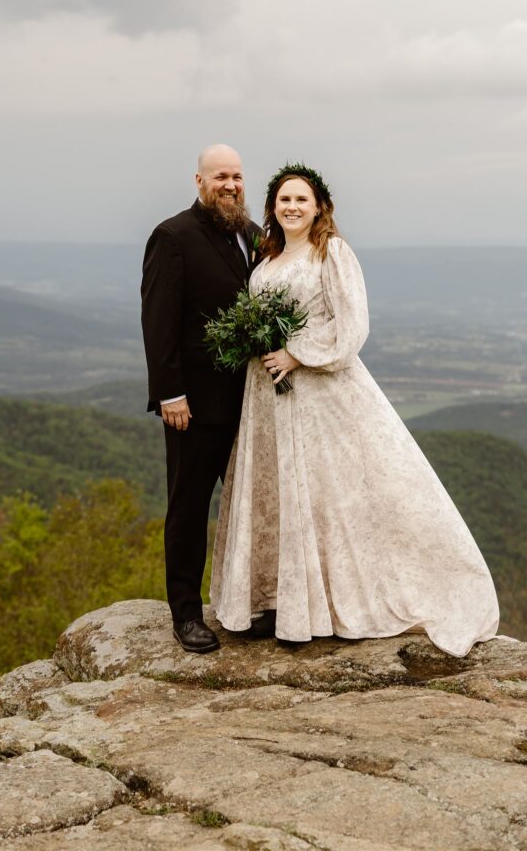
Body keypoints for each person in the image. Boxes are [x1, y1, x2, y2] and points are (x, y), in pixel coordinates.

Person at [210, 164, 500, 656]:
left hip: (321, 394)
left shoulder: (332, 253)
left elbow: (353, 326)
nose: (292, 208)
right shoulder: (266, 261)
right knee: (283, 494)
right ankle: (285, 600)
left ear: (320, 206)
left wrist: (296, 352)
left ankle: (327, 605)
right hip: (268, 398)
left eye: (301, 199)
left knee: (330, 496)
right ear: (273, 209)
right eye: (284, 200)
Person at [141, 143, 263, 653]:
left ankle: (249, 605)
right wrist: (171, 393)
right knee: (189, 509)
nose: (230, 185)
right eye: (220, 177)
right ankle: (186, 614)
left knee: (251, 507)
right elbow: (158, 320)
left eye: (236, 176)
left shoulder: (254, 236)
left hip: (252, 403)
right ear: (198, 181)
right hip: (193, 406)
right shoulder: (172, 236)